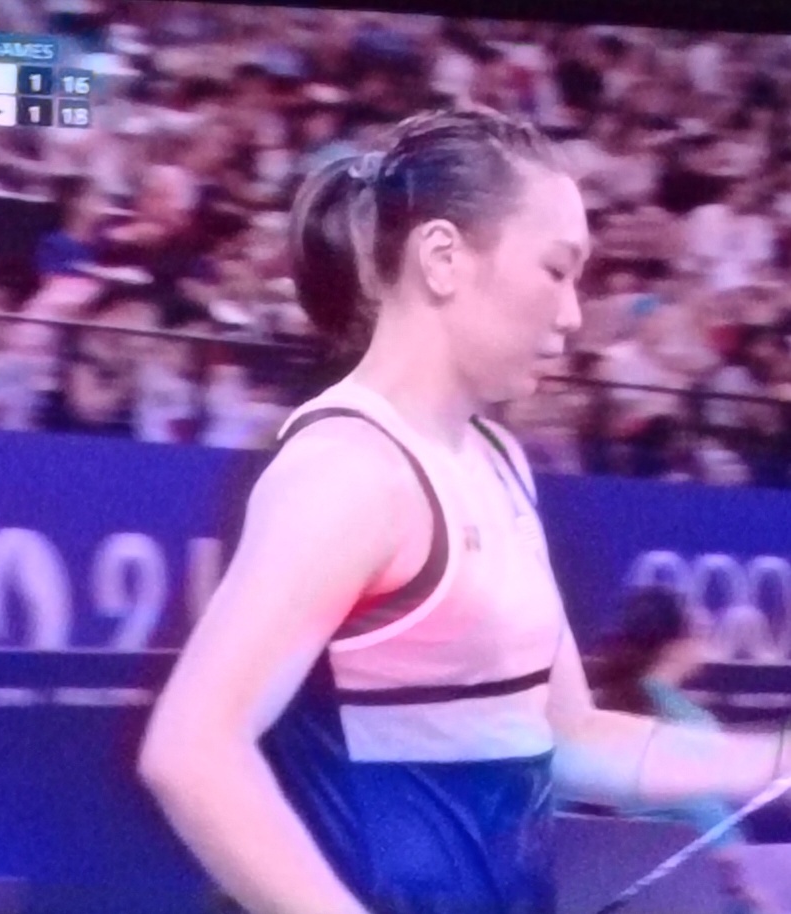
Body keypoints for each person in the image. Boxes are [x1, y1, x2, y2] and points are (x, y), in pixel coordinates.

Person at [138, 107, 791, 914]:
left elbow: (570, 736)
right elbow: (192, 750)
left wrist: (776, 757)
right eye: (556, 271)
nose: (572, 314)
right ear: (443, 258)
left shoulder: (498, 461)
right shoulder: (350, 471)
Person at [593, 585, 779, 914]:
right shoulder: (690, 725)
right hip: (691, 894)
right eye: (700, 630)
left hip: (598, 889)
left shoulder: (594, 712)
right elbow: (709, 820)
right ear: (676, 644)